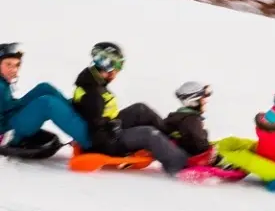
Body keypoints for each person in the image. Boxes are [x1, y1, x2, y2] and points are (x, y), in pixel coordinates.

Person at [72, 42, 189, 175]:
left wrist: (111, 124)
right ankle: (180, 164)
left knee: (140, 109)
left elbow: (93, 117)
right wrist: (111, 127)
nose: (118, 72)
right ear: (108, 65)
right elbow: (96, 128)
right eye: (118, 67)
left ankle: (174, 139)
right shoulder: (93, 93)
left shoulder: (93, 79)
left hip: (104, 129)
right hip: (105, 142)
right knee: (149, 134)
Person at [0, 42, 90, 150]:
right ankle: (89, 139)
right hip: (8, 132)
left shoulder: (3, 82)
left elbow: (6, 105)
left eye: (17, 65)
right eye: (8, 64)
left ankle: (81, 120)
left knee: (44, 88)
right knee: (46, 104)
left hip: (10, 115)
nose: (14, 70)